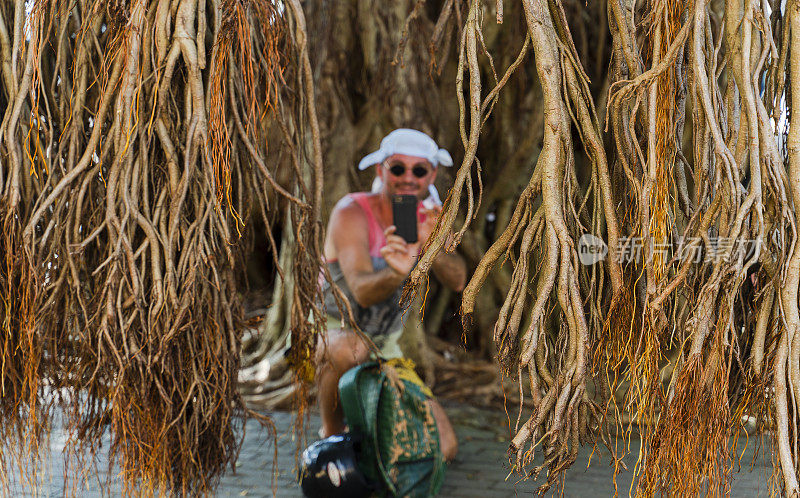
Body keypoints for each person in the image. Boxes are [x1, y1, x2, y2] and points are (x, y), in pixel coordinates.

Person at [316, 129, 467, 462]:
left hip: (387, 345)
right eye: (398, 169)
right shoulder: (352, 212)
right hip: (335, 332)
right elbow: (362, 292)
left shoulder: (427, 217)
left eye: (419, 170)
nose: (408, 178)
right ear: (381, 170)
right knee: (349, 348)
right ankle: (330, 434)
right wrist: (398, 271)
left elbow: (458, 281)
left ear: (432, 174)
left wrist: (433, 247)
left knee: (445, 448)